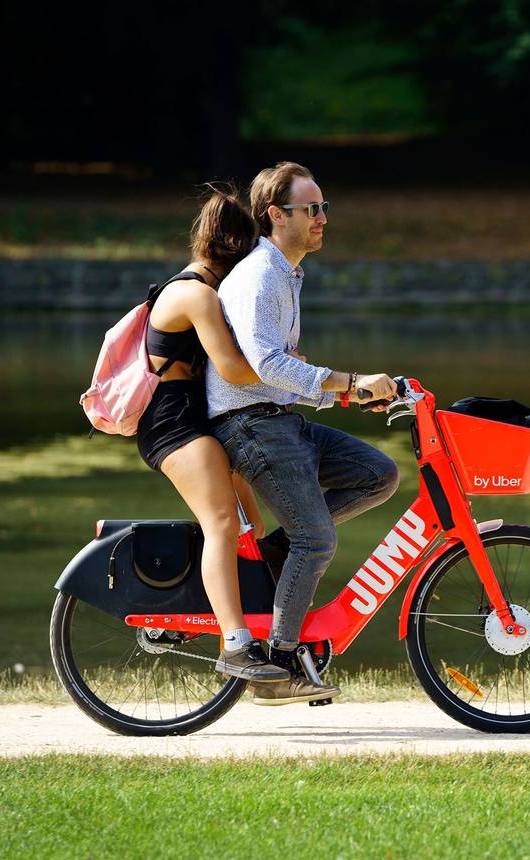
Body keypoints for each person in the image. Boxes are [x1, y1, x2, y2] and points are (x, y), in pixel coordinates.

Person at [207, 161, 399, 706]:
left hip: (280, 419)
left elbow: (285, 369)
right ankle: (281, 662)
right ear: (276, 216)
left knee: (377, 475)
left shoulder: (288, 273)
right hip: (250, 425)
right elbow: (266, 363)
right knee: (317, 539)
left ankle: (274, 555)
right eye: (310, 209)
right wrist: (350, 381)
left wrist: (344, 394)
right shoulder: (261, 274)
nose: (321, 218)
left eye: (323, 208)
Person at [135, 186, 290, 688]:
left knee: (251, 521)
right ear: (231, 247)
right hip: (173, 422)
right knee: (222, 521)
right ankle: (236, 646)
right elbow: (231, 367)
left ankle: (256, 614)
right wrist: (298, 377)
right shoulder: (195, 295)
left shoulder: (204, 290)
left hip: (197, 418)